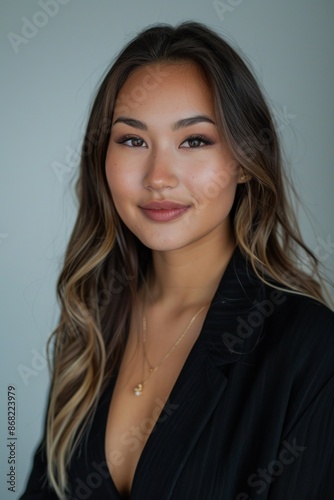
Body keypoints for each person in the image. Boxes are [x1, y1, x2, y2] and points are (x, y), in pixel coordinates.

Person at [20, 21, 334, 500]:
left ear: (247, 159)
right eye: (132, 140)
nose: (159, 177)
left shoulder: (311, 348)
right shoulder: (90, 326)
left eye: (194, 141)